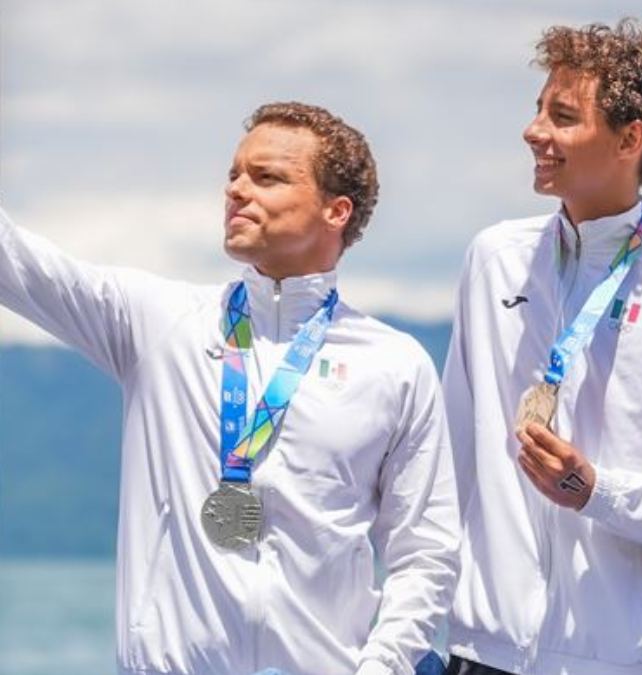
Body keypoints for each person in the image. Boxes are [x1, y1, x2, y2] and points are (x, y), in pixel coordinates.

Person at [0, 102, 459, 675]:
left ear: (335, 210)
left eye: (266, 177)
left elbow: (426, 552)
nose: (237, 190)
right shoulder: (157, 322)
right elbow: (15, 263)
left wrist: (382, 667)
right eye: (234, 175)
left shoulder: (395, 364)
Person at [440, 19, 642, 675]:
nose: (534, 131)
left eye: (561, 115)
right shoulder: (493, 260)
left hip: (617, 659)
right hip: (479, 650)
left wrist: (598, 491)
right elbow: (448, 465)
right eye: (537, 110)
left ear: (629, 139)